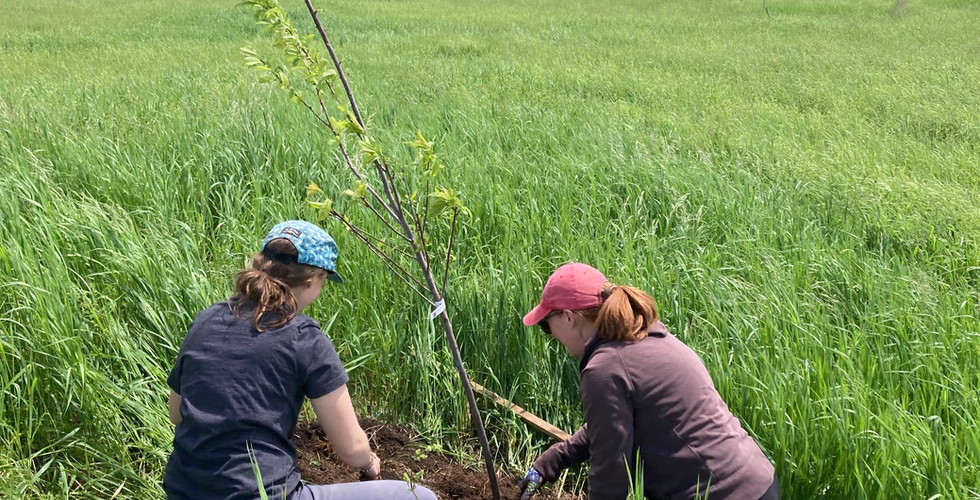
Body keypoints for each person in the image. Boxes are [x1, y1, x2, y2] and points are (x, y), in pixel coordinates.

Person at [164, 220, 437, 500]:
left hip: (183, 491)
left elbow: (177, 413)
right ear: (311, 281)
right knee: (417, 496)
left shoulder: (207, 319)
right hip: (261, 494)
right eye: (323, 282)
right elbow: (351, 449)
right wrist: (369, 463)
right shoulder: (304, 338)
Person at [517, 263, 778, 500]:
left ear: (568, 317)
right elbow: (610, 427)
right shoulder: (647, 337)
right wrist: (553, 460)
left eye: (546, 325)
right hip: (757, 480)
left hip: (719, 493)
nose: (549, 335)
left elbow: (610, 470)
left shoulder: (605, 369)